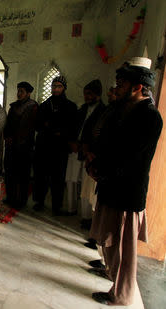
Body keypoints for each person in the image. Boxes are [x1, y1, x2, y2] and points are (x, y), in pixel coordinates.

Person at [87, 58, 162, 306]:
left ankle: (122, 295)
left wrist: (104, 169)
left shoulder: (150, 117)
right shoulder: (123, 109)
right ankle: (111, 276)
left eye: (122, 83)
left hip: (127, 192)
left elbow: (131, 157)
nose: (116, 87)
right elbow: (108, 144)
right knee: (108, 240)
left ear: (138, 87)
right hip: (111, 185)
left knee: (123, 249)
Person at [33, 76, 77, 215]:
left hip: (59, 149)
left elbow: (70, 127)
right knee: (41, 176)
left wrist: (52, 127)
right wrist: (53, 127)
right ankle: (39, 201)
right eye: (54, 86)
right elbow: (38, 124)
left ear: (64, 88)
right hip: (44, 147)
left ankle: (56, 205)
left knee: (58, 178)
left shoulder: (70, 106)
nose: (56, 89)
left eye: (59, 86)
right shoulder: (45, 105)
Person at [66, 79, 106, 219]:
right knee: (70, 179)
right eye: (85, 94)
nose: (86, 97)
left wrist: (88, 146)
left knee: (86, 185)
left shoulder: (103, 111)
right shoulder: (82, 109)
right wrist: (71, 142)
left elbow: (100, 134)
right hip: (75, 149)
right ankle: (71, 209)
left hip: (89, 152)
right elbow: (72, 128)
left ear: (97, 94)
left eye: (89, 94)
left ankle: (86, 217)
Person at [3, 82, 38, 209]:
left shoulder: (33, 107)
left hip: (24, 147)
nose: (19, 93)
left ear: (28, 93)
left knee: (22, 174)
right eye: (18, 91)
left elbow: (29, 128)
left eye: (21, 91)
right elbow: (7, 126)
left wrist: (18, 139)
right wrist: (7, 137)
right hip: (11, 146)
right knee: (10, 172)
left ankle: (21, 200)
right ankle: (10, 197)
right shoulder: (13, 107)